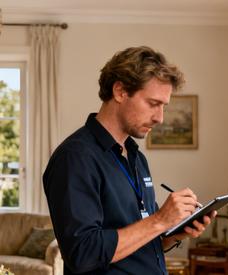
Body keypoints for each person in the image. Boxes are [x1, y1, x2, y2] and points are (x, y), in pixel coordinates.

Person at [43, 46, 214, 274]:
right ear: (120, 91)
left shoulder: (136, 157)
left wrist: (175, 230)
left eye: (164, 106)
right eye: (153, 104)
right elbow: (82, 254)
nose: (160, 118)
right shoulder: (75, 157)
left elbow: (138, 243)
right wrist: (159, 220)